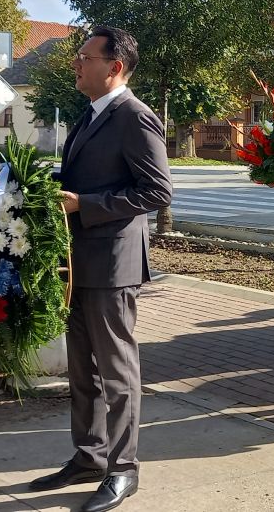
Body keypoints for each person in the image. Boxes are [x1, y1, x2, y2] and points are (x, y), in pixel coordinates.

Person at [30, 26, 173, 512]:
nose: (76, 64)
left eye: (84, 57)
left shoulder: (135, 117)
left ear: (114, 67)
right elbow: (81, 178)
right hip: (78, 261)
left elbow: (156, 192)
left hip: (112, 264)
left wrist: (84, 205)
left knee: (117, 372)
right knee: (82, 371)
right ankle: (88, 455)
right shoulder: (89, 115)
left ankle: (123, 469)